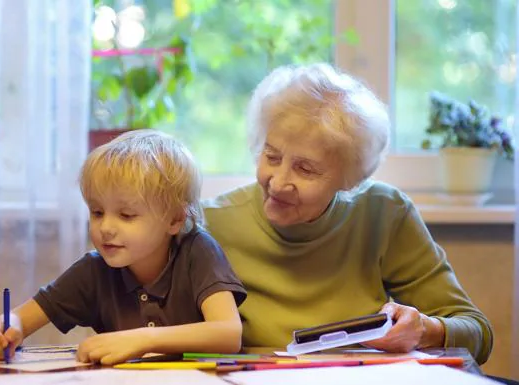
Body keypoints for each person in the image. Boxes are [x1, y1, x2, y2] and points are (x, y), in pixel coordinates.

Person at [202, 63, 493, 364]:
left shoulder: (384, 213)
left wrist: (425, 330)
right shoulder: (211, 223)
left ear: (350, 178)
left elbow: (477, 333)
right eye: (271, 156)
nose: (277, 183)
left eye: (305, 168)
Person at [0, 130, 246, 365]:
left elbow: (228, 333)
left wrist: (143, 340)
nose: (105, 227)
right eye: (97, 212)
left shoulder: (197, 252)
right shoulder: (94, 270)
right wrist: (6, 331)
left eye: (127, 215)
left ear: (175, 219)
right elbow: (20, 318)